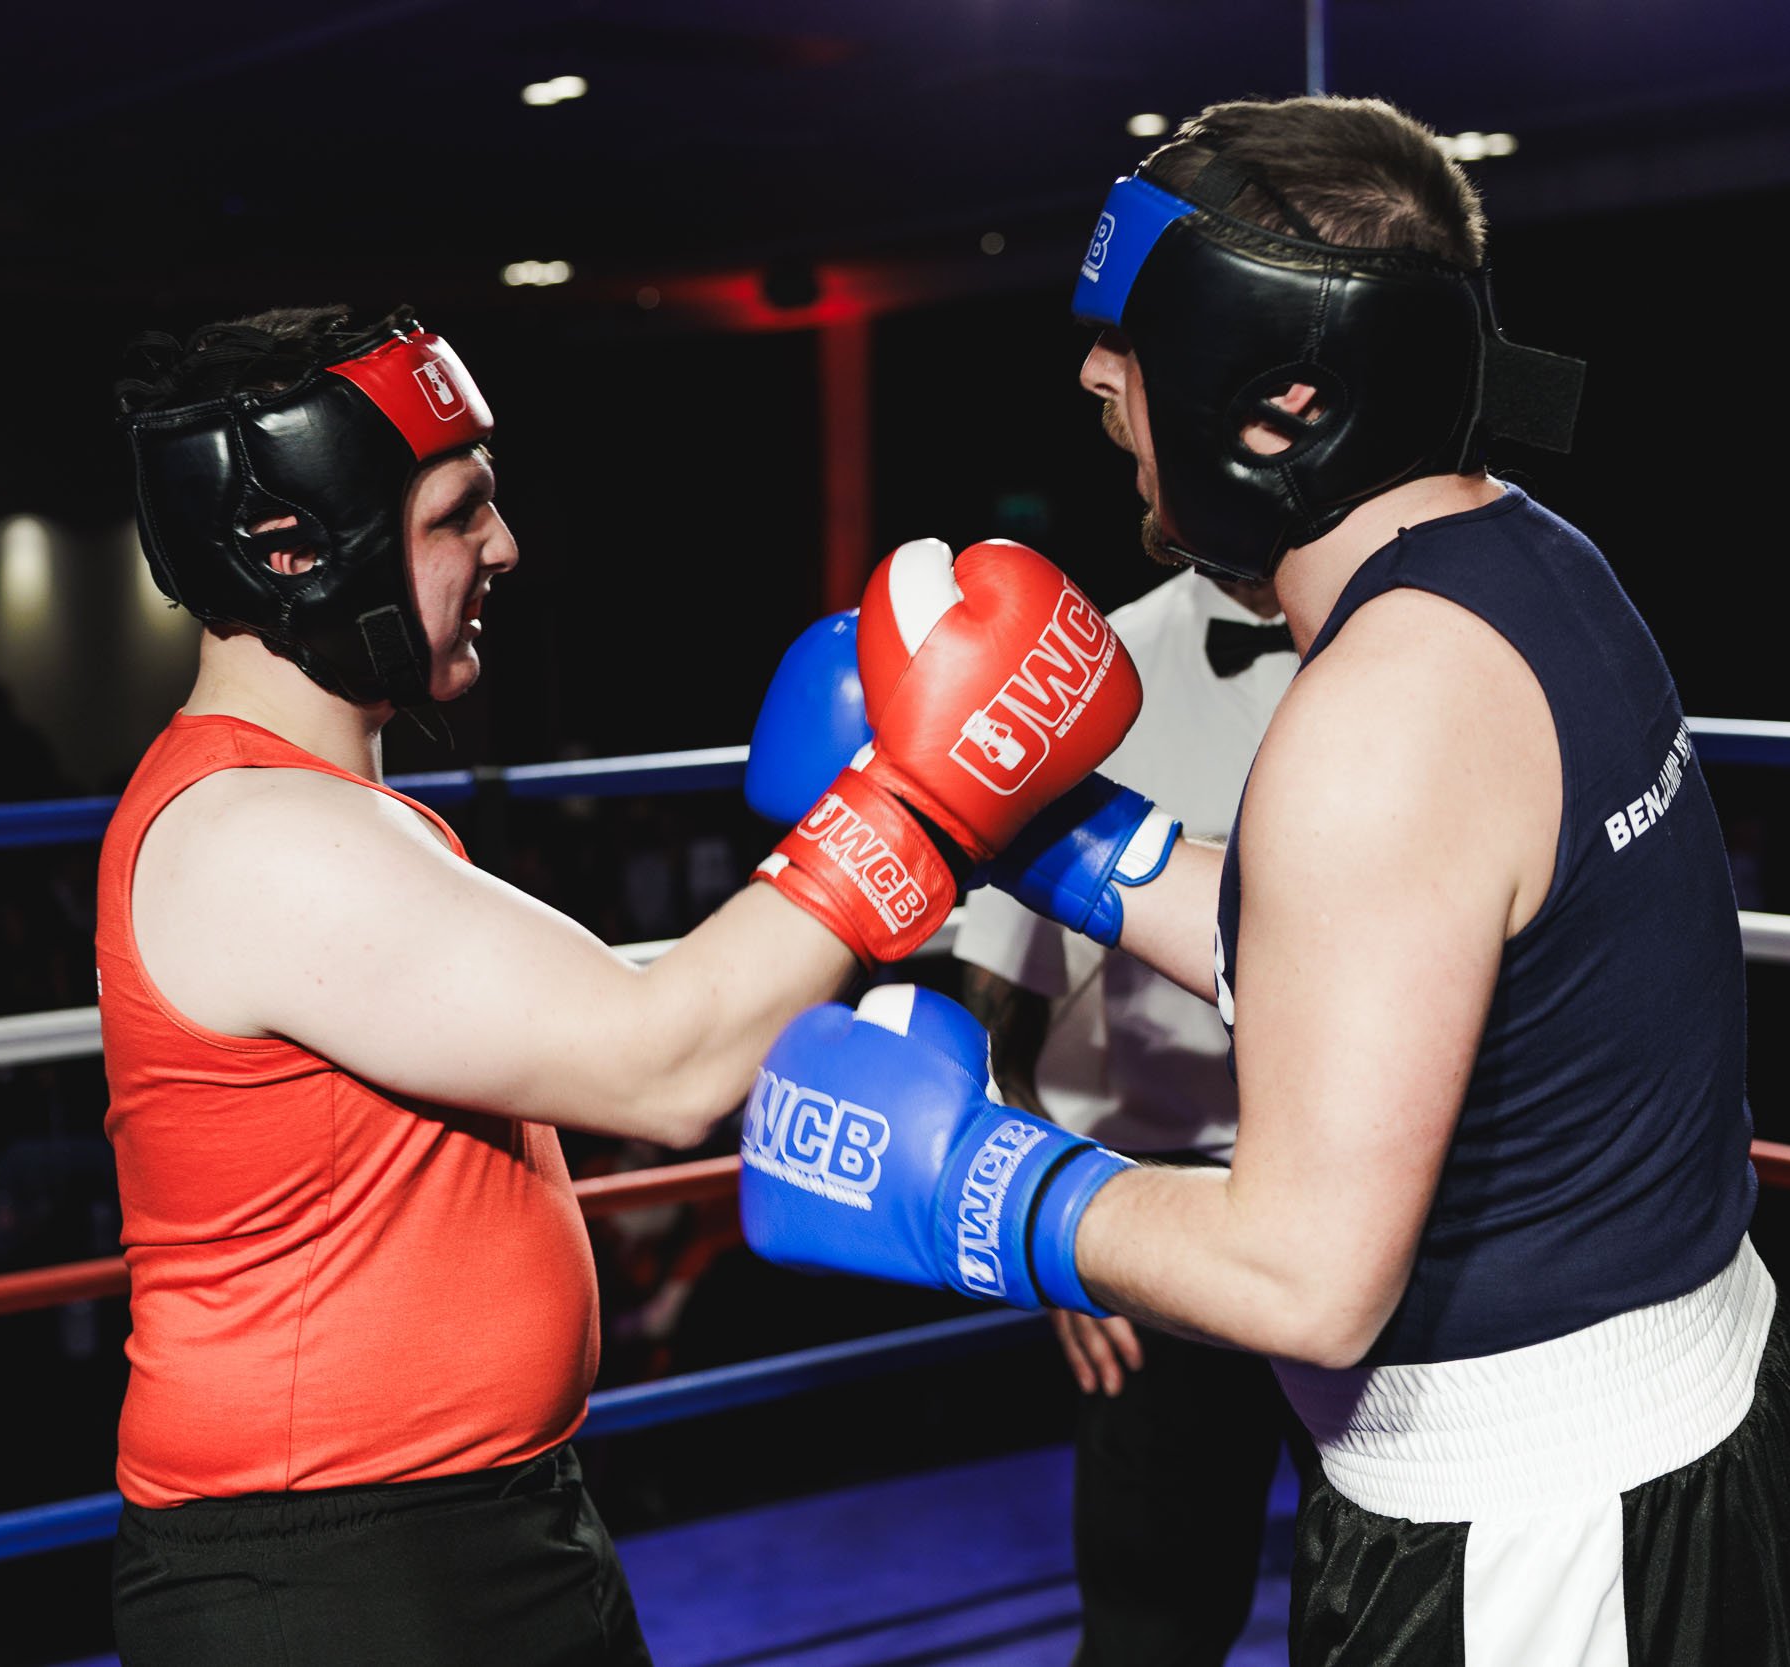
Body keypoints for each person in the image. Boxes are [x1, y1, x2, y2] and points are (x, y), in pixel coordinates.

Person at [739, 97, 1790, 1664]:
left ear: (1276, 402)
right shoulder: (1525, 558)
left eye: (1129, 337)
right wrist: (1031, 820)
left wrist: (971, 1180)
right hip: (1667, 1413)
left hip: (1534, 1518)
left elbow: (1306, 1279)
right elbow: (1366, 955)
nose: (1094, 378)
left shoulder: (1375, 711)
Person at [98, 304, 1138, 1665]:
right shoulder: (251, 837)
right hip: (337, 1571)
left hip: (471, 1524)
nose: (504, 547)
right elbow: (662, 1062)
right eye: (457, 513)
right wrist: (925, 797)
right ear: (296, 547)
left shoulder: (326, 813)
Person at [953, 566, 1300, 1667]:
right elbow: (994, 998)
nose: (1101, 384)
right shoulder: (1088, 668)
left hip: (1396, 1199)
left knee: (1402, 1613)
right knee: (1152, 1629)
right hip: (1156, 1215)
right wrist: (1043, 1215)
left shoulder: (1419, 646)